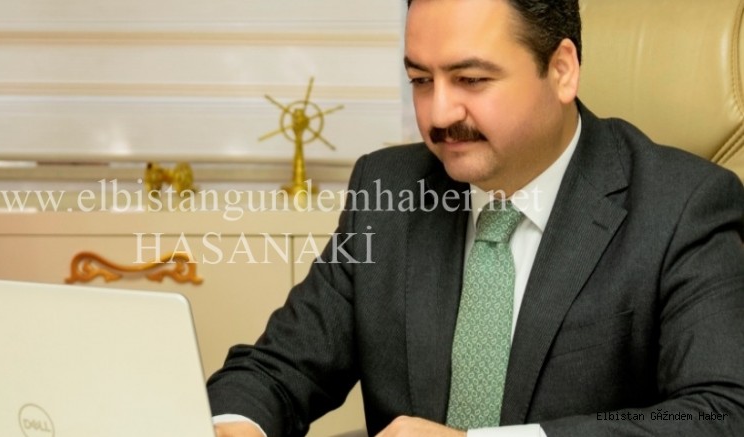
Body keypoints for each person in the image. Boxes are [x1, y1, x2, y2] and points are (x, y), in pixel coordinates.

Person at [207, 0, 744, 436]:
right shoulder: (388, 190)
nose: (439, 114)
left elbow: (722, 412)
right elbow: (277, 370)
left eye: (470, 79)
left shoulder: (684, 206)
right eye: (421, 80)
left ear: (561, 70)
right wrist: (238, 423)